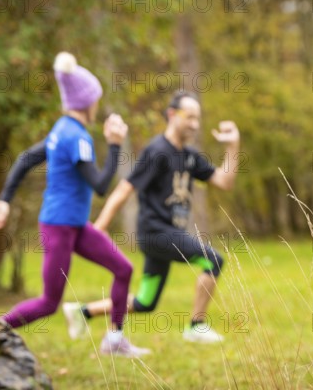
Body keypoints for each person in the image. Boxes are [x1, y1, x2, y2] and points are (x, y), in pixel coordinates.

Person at [0, 52, 149, 357]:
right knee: (49, 303)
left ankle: (114, 341)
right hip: (59, 227)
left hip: (74, 225)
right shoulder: (77, 137)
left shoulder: (61, 128)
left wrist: (4, 201)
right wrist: (114, 144)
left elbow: (24, 159)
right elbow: (100, 186)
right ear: (87, 102)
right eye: (96, 99)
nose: (97, 105)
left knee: (123, 269)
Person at [62, 90, 240, 343]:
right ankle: (196, 326)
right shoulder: (157, 151)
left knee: (145, 302)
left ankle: (83, 312)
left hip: (166, 235)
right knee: (213, 260)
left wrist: (233, 146)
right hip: (156, 232)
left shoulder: (188, 157)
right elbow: (125, 188)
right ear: (171, 115)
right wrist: (98, 228)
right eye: (189, 117)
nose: (195, 124)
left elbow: (224, 181)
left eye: (197, 119)